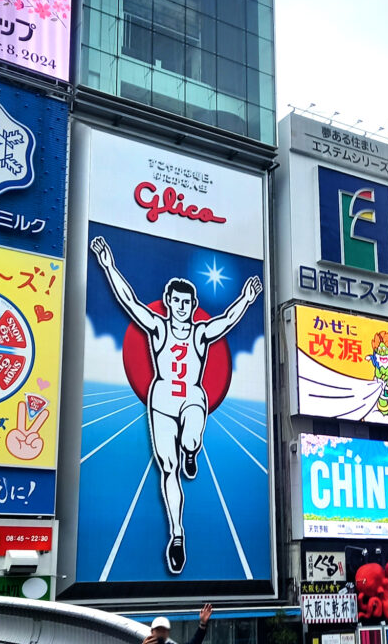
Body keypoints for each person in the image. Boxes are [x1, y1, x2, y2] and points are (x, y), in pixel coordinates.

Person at [91, 236, 262, 575]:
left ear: (192, 304)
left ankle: (191, 449)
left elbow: (226, 321)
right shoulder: (157, 328)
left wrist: (246, 298)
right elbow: (130, 302)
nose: (182, 307)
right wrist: (109, 266)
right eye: (177, 301)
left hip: (192, 397)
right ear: (169, 303)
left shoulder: (199, 333)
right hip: (163, 398)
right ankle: (177, 534)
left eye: (187, 302)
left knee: (191, 437)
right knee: (167, 470)